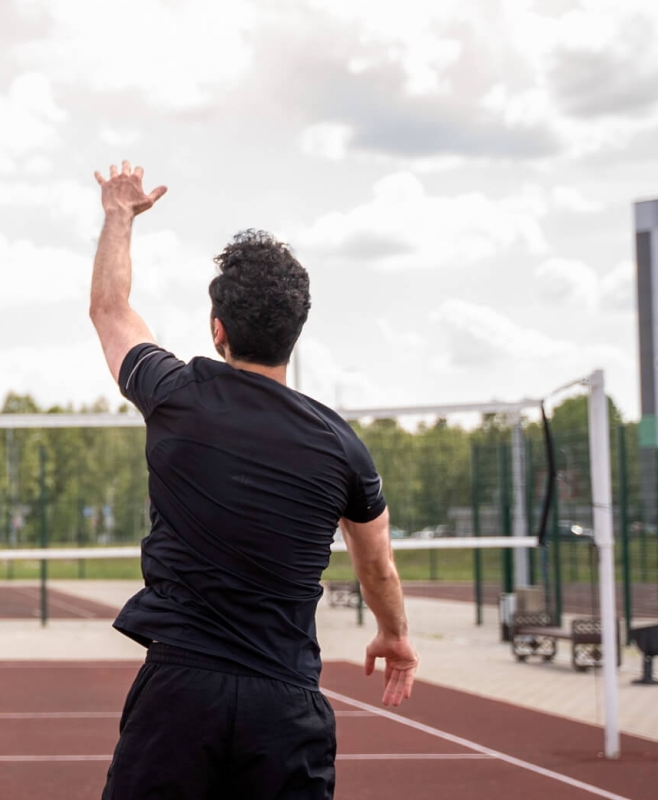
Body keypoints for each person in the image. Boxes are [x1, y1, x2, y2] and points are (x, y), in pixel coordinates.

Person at [88, 161, 418, 799]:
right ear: (294, 335)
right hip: (284, 705)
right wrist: (396, 636)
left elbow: (109, 309)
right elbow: (376, 565)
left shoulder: (175, 393)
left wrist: (118, 217)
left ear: (218, 332)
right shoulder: (342, 447)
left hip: (179, 696)